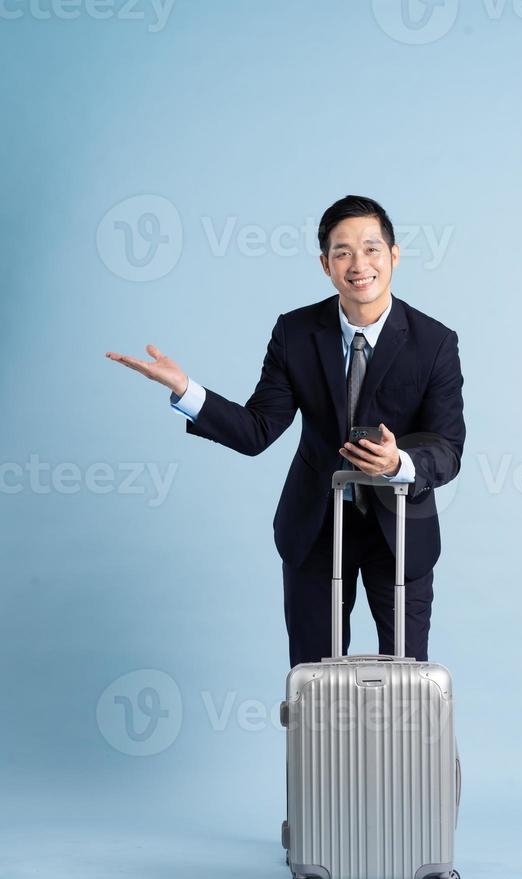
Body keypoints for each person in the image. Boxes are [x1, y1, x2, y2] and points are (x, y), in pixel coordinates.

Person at [106, 195, 465, 667]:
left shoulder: (435, 342)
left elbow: (448, 447)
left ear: (394, 256)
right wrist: (187, 390)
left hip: (399, 531)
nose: (359, 264)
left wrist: (400, 464)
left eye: (372, 249)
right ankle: (327, 745)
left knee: (405, 684)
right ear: (325, 265)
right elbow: (258, 430)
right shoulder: (295, 332)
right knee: (314, 684)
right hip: (315, 527)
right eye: (342, 252)